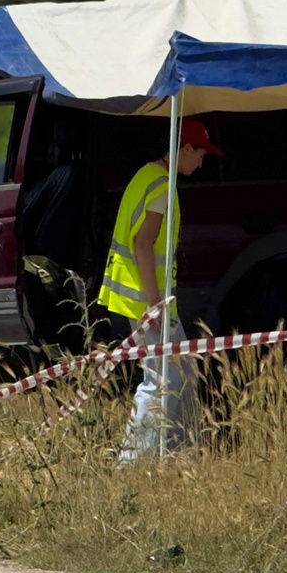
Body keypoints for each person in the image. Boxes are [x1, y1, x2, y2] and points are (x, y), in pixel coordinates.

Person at [100, 115, 218, 461]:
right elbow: (143, 243)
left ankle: (182, 454)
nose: (201, 161)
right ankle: (132, 463)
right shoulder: (162, 185)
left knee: (180, 374)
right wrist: (154, 304)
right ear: (183, 149)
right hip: (148, 302)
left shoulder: (147, 175)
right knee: (160, 383)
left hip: (146, 300)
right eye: (200, 154)